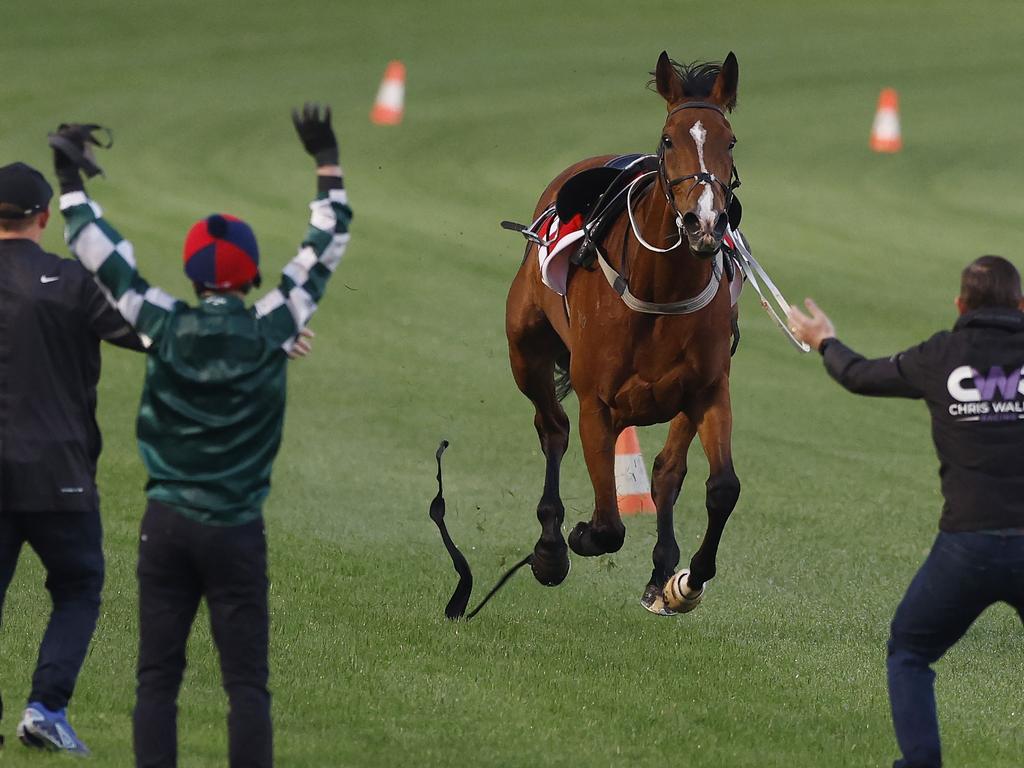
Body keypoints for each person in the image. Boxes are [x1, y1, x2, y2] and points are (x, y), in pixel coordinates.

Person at [53, 103, 351, 767]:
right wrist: (326, 162)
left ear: (192, 275)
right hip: (237, 529)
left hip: (165, 525)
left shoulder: (161, 320)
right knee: (245, 684)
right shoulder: (273, 326)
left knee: (157, 679)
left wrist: (69, 181)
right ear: (247, 276)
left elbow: (101, 252)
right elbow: (326, 245)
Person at [786, 256, 1024, 768]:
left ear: (959, 305)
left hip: (966, 547)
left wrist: (824, 340)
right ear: (1021, 304)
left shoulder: (941, 354)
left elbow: (858, 375)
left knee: (910, 653)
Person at [0, 161, 145, 754]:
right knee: (79, 585)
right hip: (59, 473)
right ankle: (45, 709)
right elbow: (142, 329)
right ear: (43, 217)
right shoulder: (72, 282)